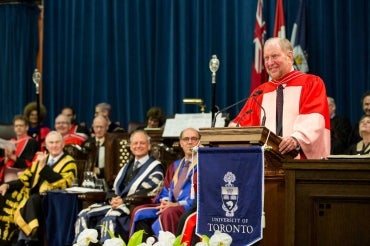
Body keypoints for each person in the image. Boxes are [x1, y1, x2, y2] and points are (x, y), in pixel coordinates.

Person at [229, 37, 330, 159]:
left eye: (275, 56)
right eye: (266, 58)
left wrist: (296, 139)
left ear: (290, 56)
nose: (270, 63)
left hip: (300, 166)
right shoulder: (260, 92)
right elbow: (243, 125)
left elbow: (314, 121)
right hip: (266, 167)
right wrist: (228, 134)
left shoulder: (311, 83)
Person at [73, 130, 164, 243]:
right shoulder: (127, 165)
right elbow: (113, 188)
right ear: (130, 146)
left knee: (110, 218)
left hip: (133, 206)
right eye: (135, 143)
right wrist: (112, 199)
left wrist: (123, 201)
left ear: (149, 146)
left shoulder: (155, 168)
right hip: (118, 204)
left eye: (142, 143)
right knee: (84, 214)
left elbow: (146, 192)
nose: (138, 146)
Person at [0, 131, 77, 245]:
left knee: (33, 199)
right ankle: (5, 239)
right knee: (3, 195)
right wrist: (8, 185)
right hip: (32, 198)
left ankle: (29, 238)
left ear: (63, 144)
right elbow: (25, 179)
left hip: (52, 200)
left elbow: (63, 183)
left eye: (57, 142)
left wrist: (43, 167)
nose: (54, 145)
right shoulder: (41, 159)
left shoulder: (69, 161)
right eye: (51, 143)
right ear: (46, 145)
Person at [129, 127, 200, 241]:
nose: (190, 142)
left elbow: (199, 196)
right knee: (139, 211)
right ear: (181, 143)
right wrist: (165, 201)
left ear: (199, 142)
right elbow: (166, 188)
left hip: (188, 207)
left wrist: (175, 205)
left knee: (168, 212)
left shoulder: (202, 165)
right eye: (186, 139)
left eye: (194, 139)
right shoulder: (175, 165)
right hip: (170, 204)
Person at [0, 115, 38, 183]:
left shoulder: (32, 142)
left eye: (21, 126)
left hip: (22, 173)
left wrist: (12, 157)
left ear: (26, 127)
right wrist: (6, 158)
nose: (18, 128)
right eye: (16, 126)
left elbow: (30, 164)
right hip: (7, 171)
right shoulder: (9, 142)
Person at [82, 115, 109, 179]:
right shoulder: (86, 143)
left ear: (107, 127)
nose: (99, 130)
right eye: (96, 127)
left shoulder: (111, 144)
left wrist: (100, 170)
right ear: (93, 127)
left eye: (101, 127)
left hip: (107, 179)